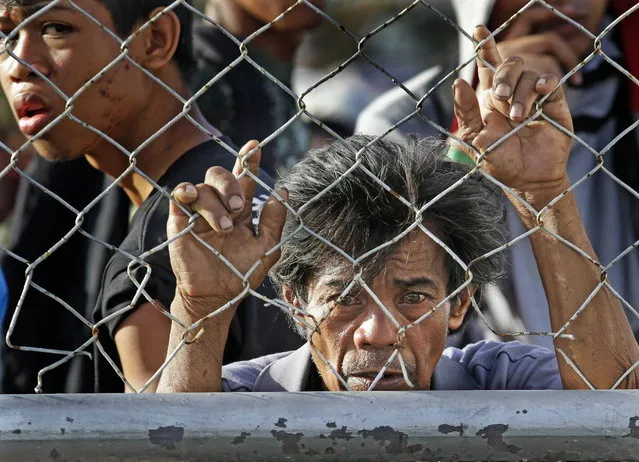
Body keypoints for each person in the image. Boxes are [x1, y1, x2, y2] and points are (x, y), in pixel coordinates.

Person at [156, 27, 639, 394]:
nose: (378, 334)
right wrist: (202, 307)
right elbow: (170, 448)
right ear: (295, 301)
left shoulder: (499, 382)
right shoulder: (246, 394)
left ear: (460, 304)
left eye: (412, 299)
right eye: (345, 298)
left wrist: (544, 192)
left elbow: (619, 404)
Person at [0, 0, 303, 393]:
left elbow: (161, 443)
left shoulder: (166, 246)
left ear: (155, 40)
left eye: (56, 28)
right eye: (7, 33)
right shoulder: (238, 182)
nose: (18, 64)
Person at [355, 0, 639, 348]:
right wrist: (475, 138)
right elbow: (405, 288)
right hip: (483, 378)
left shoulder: (627, 100)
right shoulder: (406, 120)